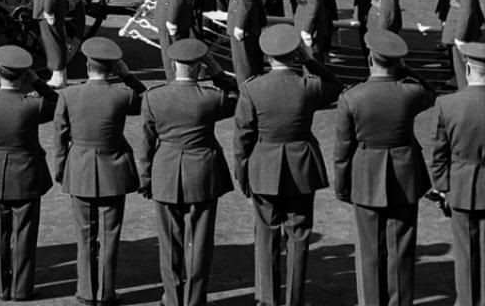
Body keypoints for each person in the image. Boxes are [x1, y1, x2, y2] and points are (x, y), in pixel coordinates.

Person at [233, 25, 344, 306]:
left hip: (264, 168)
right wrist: (309, 59)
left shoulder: (253, 88)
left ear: (268, 56)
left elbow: (243, 137)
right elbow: (336, 85)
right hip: (301, 166)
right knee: (298, 236)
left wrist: (243, 175)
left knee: (266, 236)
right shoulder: (308, 86)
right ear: (294, 55)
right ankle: (295, 299)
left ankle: (268, 300)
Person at [334, 30, 437, 306]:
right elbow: (431, 92)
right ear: (397, 62)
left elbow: (342, 150)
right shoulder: (410, 93)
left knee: (368, 252)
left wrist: (342, 186)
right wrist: (405, 69)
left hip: (365, 177)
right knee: (401, 248)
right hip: (405, 177)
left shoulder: (352, 97)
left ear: (370, 58)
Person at [139, 38, 238, 306]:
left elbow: (146, 144)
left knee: (169, 243)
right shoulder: (211, 98)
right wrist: (217, 70)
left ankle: (173, 299)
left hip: (165, 173)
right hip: (203, 174)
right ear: (199, 67)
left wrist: (146, 179)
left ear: (174, 65)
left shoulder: (153, 97)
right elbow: (237, 97)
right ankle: (194, 299)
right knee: (200, 243)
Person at [53, 37, 146, 306]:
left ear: (87, 65)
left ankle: (86, 290)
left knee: (84, 235)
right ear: (113, 68)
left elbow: (60, 136)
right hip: (114, 171)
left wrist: (61, 169)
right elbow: (147, 100)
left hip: (80, 168)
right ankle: (106, 292)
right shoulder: (122, 95)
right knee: (110, 234)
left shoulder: (69, 95)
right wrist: (127, 76)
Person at [0, 44, 58, 301]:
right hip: (27, 175)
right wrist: (37, 81)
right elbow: (58, 103)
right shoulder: (32, 106)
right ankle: (22, 288)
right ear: (23, 76)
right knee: (25, 235)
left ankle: (0, 286)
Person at [430, 41, 485, 306]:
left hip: (461, 186)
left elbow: (439, 153)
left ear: (468, 68)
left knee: (464, 255)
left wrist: (442, 186)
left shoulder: (448, 104)